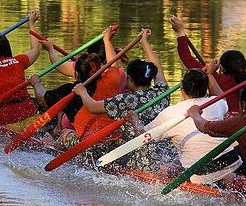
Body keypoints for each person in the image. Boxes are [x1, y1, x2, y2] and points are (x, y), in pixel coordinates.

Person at [74, 28, 177, 171]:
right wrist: (145, 42)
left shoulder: (126, 100)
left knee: (73, 138)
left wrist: (82, 92)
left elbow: (92, 107)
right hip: (162, 152)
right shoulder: (162, 93)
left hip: (135, 156)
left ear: (129, 79)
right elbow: (158, 69)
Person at [128, 66, 242, 185]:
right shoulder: (216, 103)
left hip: (201, 174)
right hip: (232, 161)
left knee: (165, 169)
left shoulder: (169, 113)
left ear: (182, 89)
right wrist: (210, 74)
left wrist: (134, 120)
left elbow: (142, 137)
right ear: (207, 89)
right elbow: (221, 97)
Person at [170, 15, 246, 113]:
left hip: (225, 121)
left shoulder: (214, 78)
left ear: (221, 68)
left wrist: (180, 32)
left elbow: (186, 58)